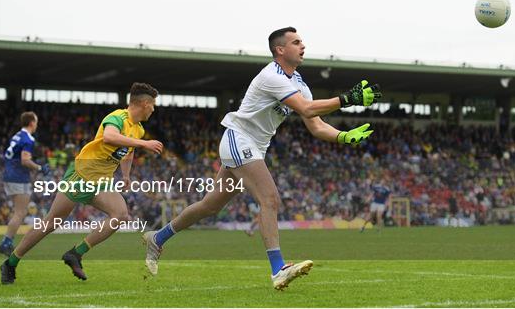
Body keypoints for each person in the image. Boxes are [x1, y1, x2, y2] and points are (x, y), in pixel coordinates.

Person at [142, 26, 382, 290]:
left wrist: (343, 137)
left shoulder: (299, 83)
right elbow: (305, 107)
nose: (303, 46)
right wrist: (347, 99)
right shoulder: (272, 76)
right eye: (296, 42)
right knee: (269, 199)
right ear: (280, 50)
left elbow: (315, 124)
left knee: (209, 206)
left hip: (253, 147)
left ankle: (158, 237)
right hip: (239, 139)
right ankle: (278, 269)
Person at [0, 83, 164, 285]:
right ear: (145, 104)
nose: (154, 109)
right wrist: (145, 143)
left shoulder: (138, 129)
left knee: (120, 215)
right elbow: (110, 136)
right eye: (153, 105)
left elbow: (127, 153)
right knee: (51, 222)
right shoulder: (117, 117)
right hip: (81, 176)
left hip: (102, 181)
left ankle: (75, 253)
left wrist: (126, 176)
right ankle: (11, 262)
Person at [0, 111, 50, 257]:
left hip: (9, 175)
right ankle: (6, 242)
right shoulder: (28, 138)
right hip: (18, 177)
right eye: (36, 121)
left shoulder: (17, 135)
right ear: (32, 123)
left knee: (18, 212)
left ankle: (7, 241)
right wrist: (40, 168)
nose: (37, 124)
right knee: (20, 212)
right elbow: (25, 160)